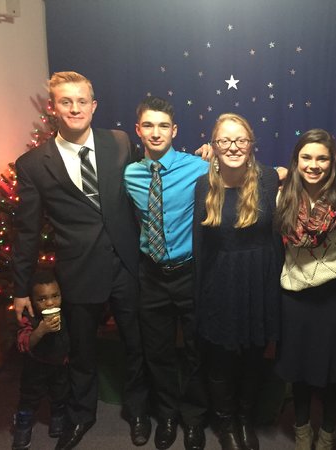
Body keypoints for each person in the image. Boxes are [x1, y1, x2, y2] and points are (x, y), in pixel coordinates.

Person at [12, 71, 150, 449]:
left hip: (126, 264)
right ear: (53, 107)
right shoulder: (33, 164)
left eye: (81, 101)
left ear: (93, 105)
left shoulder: (119, 142)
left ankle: (138, 411)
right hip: (78, 270)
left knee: (136, 344)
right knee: (82, 350)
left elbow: (151, 176)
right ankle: (81, 414)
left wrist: (201, 158)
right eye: (66, 101)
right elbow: (26, 231)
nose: (75, 108)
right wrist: (21, 288)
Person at [124, 96, 209, 450]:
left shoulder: (199, 167)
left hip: (189, 273)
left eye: (163, 126)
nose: (156, 132)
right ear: (138, 130)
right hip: (152, 275)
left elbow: (242, 171)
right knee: (157, 351)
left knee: (195, 349)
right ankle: (168, 415)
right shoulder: (130, 174)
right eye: (148, 125)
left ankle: (194, 419)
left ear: (174, 130)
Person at [193, 113, 281, 450]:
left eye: (240, 139)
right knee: (221, 361)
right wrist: (199, 296)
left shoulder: (268, 178)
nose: (233, 147)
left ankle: (245, 419)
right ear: (214, 146)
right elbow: (200, 244)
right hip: (220, 285)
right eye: (225, 140)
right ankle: (226, 423)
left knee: (253, 358)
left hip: (259, 283)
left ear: (251, 144)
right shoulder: (204, 185)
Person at [275, 129, 336, 450]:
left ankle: (328, 433)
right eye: (306, 157)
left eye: (322, 158)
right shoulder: (283, 198)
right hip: (295, 295)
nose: (313, 165)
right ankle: (302, 429)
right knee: (299, 369)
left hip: (335, 296)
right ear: (296, 161)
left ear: (332, 162)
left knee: (333, 371)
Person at [12, 269, 69, 450]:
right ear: (32, 300)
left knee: (60, 392)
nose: (50, 302)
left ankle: (57, 417)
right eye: (42, 299)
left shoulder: (66, 312)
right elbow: (24, 343)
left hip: (59, 363)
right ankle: (23, 425)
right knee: (29, 397)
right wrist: (41, 330)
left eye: (55, 296)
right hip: (35, 366)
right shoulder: (29, 317)